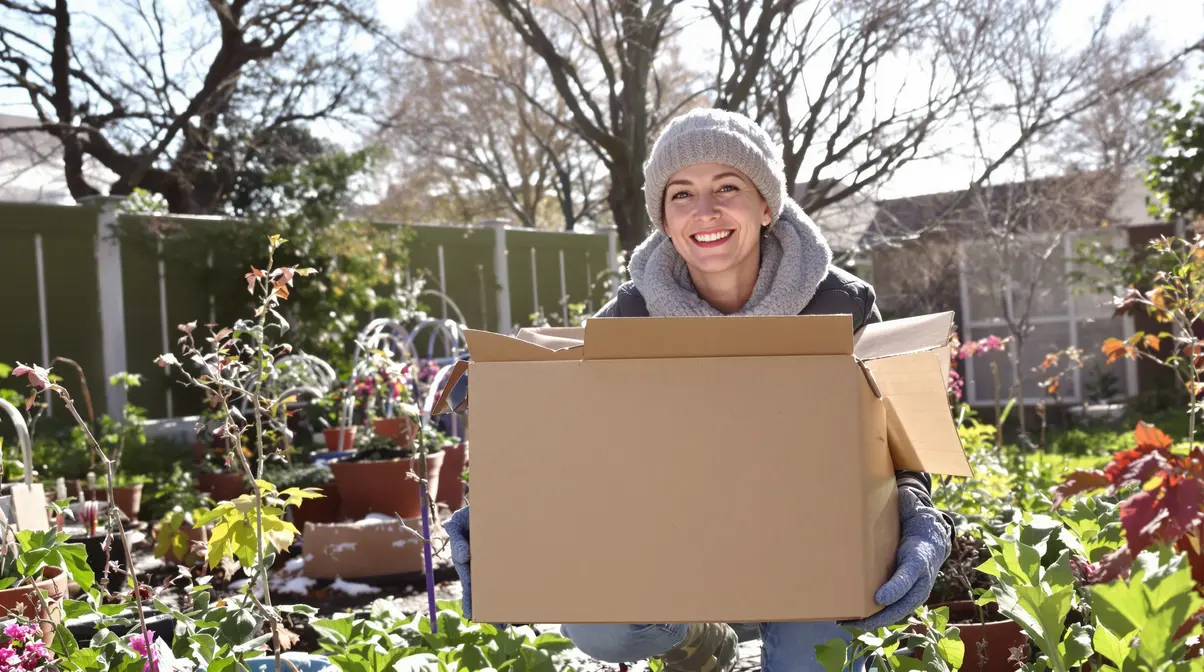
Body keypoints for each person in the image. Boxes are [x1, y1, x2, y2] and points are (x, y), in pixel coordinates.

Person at [443, 108, 953, 672]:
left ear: (766, 205)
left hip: (811, 544)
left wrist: (916, 511)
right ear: (663, 217)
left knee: (813, 664)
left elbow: (897, 449)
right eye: (681, 194)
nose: (704, 211)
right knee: (601, 625)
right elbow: (574, 443)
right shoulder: (631, 318)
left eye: (727, 187)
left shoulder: (842, 305)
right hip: (679, 541)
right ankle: (701, 644)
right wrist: (498, 513)